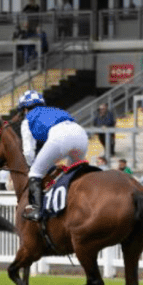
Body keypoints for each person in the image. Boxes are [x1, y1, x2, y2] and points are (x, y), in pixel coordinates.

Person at [17, 89, 88, 221]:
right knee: (73, 174)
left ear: (25, 109)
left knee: (35, 173)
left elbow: (28, 152)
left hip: (60, 136)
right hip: (81, 134)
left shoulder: (27, 119)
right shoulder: (54, 110)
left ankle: (37, 210)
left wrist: (34, 166)